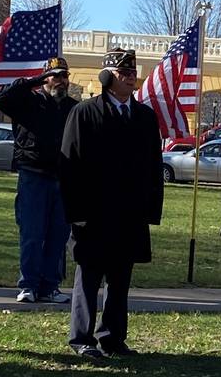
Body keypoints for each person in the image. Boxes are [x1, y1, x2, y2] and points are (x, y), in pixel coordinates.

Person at [58, 47, 164, 360]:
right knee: (89, 277)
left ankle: (113, 338)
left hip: (129, 214)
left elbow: (153, 166)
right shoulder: (85, 112)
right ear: (107, 77)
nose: (132, 78)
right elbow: (70, 165)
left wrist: (150, 209)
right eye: (124, 73)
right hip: (93, 213)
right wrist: (75, 212)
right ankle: (82, 338)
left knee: (120, 280)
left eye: (133, 72)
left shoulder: (144, 116)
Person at [0, 55, 77, 305]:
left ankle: (50, 287)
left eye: (65, 76)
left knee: (57, 235)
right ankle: (28, 284)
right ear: (44, 79)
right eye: (55, 76)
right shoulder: (27, 102)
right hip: (33, 177)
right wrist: (33, 81)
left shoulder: (73, 108)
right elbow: (0, 98)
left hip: (62, 180)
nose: (61, 81)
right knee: (32, 233)